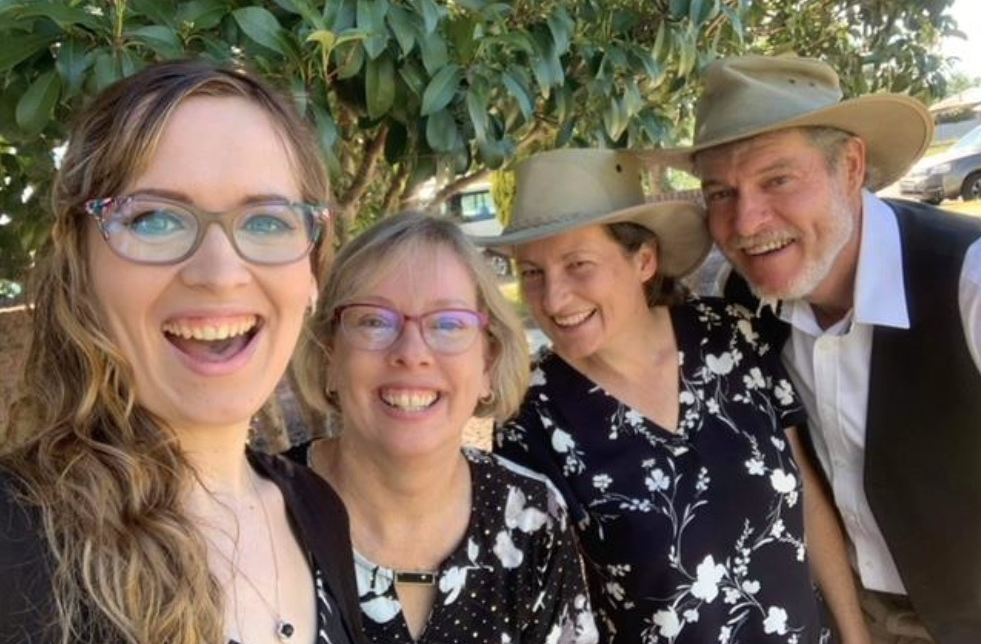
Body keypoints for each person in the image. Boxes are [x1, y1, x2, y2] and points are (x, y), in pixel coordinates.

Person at [0, 60, 364, 644]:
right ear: (80, 267)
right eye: (155, 219)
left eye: (266, 222)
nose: (220, 274)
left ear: (313, 272)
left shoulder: (318, 513)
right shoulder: (15, 545)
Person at [481, 148, 869, 644]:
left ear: (644, 259)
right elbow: (550, 604)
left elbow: (807, 501)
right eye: (531, 272)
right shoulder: (531, 415)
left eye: (578, 264)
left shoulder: (731, 335)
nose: (553, 299)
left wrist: (856, 634)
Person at [657, 54, 981, 644]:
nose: (747, 221)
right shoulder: (747, 302)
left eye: (777, 179)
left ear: (851, 166)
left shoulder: (969, 281)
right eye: (721, 193)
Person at [290, 212, 598, 644]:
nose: (412, 353)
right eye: (375, 320)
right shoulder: (257, 513)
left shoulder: (532, 518)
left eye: (448, 323)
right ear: (328, 357)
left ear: (487, 363)